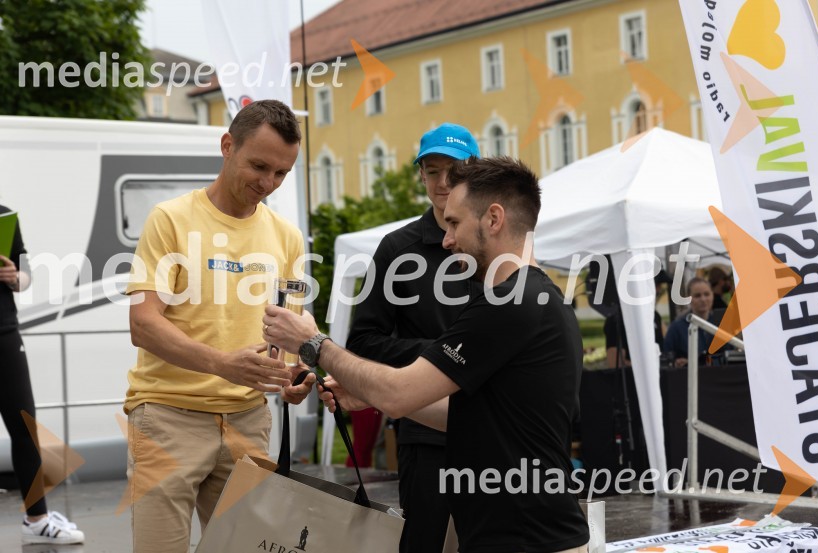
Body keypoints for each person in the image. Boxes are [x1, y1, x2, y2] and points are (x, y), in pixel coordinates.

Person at [264, 157, 590, 553]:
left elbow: (399, 393)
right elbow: (472, 415)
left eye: (454, 223)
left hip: (527, 538)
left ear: (494, 218)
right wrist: (369, 395)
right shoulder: (535, 297)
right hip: (524, 534)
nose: (447, 239)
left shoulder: (511, 303)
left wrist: (314, 344)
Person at [125, 100, 315, 553]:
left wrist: (294, 375)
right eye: (259, 166)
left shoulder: (286, 236)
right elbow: (143, 323)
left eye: (281, 174)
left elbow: (289, 331)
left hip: (249, 422)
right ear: (227, 145)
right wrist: (221, 364)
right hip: (168, 415)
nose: (268, 183)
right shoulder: (170, 219)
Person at [345, 122, 480, 551]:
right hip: (425, 433)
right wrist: (442, 355)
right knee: (424, 542)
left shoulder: (494, 243)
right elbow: (363, 341)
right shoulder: (396, 249)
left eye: (454, 171)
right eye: (433, 171)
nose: (443, 183)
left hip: (494, 429)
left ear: (474, 173)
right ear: (420, 175)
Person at [0, 205, 85, 545]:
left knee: (24, 425)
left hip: (4, 333)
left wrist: (14, 278)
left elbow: (24, 274)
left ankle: (37, 519)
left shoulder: (4, 216)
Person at [662, 277, 722, 367]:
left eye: (707, 294)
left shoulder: (721, 324)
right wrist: (678, 363)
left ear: (712, 295)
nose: (703, 299)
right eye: (697, 296)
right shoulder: (676, 328)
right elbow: (666, 359)